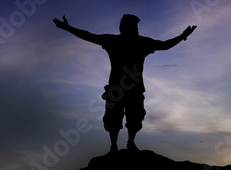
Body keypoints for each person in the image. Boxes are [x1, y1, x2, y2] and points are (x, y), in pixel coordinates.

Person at [53, 14, 196, 152]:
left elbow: (165, 45)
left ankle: (129, 142)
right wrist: (68, 28)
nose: (136, 29)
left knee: (133, 116)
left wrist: (183, 36)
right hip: (118, 87)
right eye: (134, 26)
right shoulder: (123, 41)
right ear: (127, 27)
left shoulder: (134, 42)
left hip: (130, 88)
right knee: (115, 118)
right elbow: (88, 36)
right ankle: (115, 145)